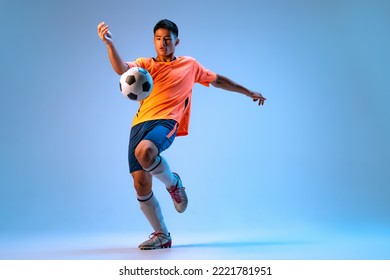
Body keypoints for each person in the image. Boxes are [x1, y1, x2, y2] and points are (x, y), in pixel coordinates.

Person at [97, 19, 266, 250]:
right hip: (139, 124)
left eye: (167, 39)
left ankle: (173, 183)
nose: (162, 43)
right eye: (158, 39)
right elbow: (121, 70)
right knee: (140, 184)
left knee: (145, 151)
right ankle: (162, 236)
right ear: (153, 41)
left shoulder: (189, 64)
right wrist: (109, 44)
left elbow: (218, 80)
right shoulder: (145, 65)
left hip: (167, 121)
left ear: (177, 41)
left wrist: (247, 92)